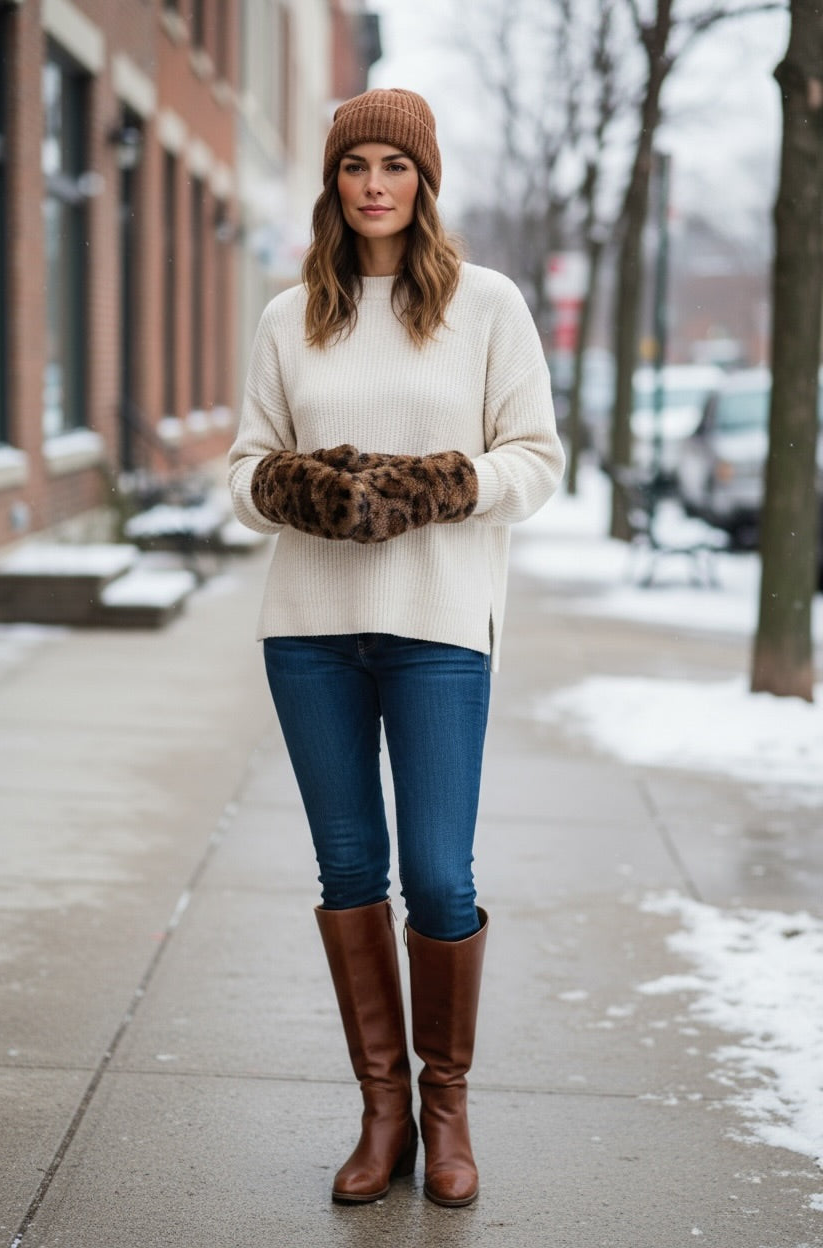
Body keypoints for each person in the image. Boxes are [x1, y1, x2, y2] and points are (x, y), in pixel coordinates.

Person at [228, 87, 565, 1208]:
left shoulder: (487, 305)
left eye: (395, 166)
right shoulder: (290, 317)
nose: (374, 185)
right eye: (354, 165)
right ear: (332, 182)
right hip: (309, 635)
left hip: (438, 630)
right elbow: (244, 473)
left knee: (437, 873)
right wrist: (309, 491)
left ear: (424, 182)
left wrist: (434, 485)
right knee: (347, 870)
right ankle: (383, 1114)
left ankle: (446, 1105)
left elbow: (536, 459)